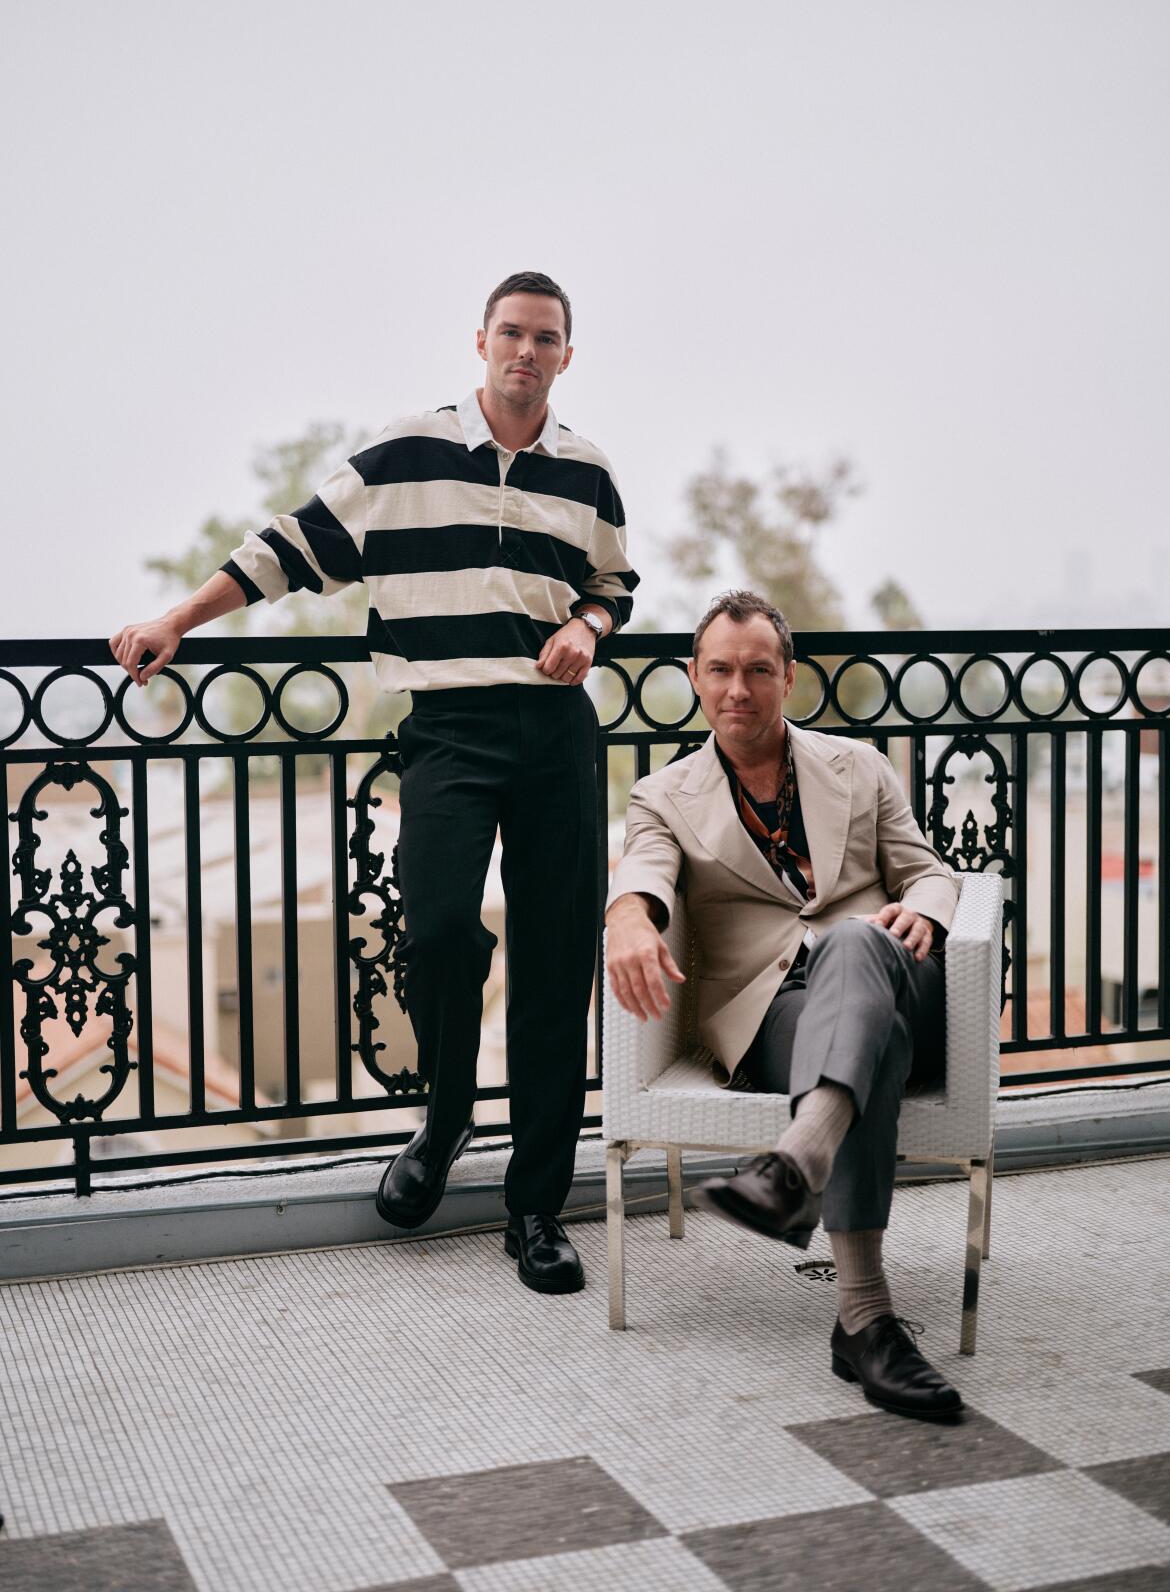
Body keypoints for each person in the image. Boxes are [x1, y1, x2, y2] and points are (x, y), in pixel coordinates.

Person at [110, 271, 637, 1296]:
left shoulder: (589, 472)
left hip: (555, 734)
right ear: (480, 342)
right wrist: (178, 619)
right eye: (512, 333)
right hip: (447, 728)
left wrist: (587, 625)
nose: (527, 350)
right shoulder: (407, 454)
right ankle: (444, 1123)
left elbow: (614, 582)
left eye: (547, 338)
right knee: (438, 927)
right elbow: (289, 548)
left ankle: (536, 1208)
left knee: (553, 960)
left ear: (568, 356)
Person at [604, 590, 964, 1418]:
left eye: (758, 670)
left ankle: (797, 1170)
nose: (740, 689)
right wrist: (626, 917)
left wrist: (928, 909)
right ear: (694, 678)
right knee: (861, 1055)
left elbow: (931, 869)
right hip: (775, 1019)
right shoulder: (663, 795)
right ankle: (864, 1318)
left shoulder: (859, 766)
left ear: (789, 677)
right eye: (721, 670)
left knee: (853, 942)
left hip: (895, 974)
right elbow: (644, 874)